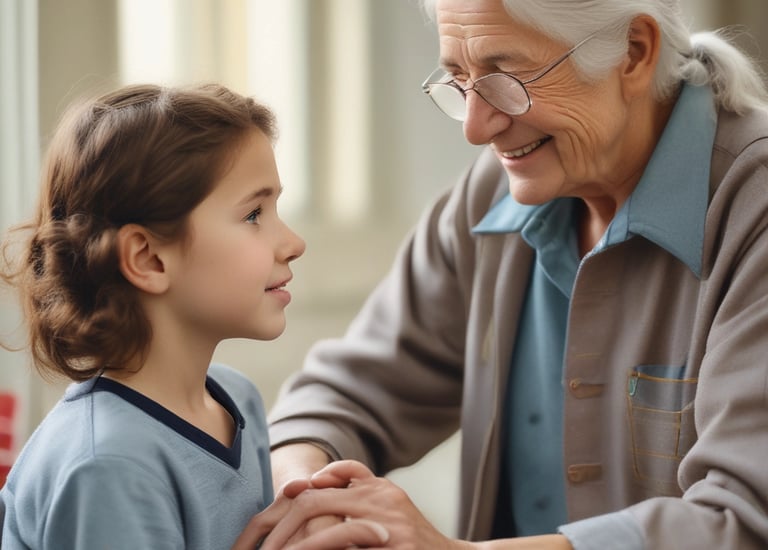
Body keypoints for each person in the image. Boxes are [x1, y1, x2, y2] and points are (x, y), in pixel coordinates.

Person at [245, 0, 768, 548]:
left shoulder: (751, 207)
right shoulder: (491, 194)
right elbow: (346, 393)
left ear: (634, 52)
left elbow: (742, 522)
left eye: (507, 78)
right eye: (459, 79)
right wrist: (307, 502)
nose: (475, 128)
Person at [0, 82, 305, 549]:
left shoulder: (237, 400)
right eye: (252, 214)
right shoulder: (109, 465)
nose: (293, 243)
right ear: (148, 259)